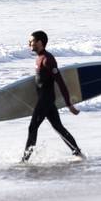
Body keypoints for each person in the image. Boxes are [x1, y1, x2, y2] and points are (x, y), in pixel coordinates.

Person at [22, 30, 83, 162]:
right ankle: (77, 152)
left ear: (39, 42)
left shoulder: (47, 59)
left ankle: (25, 160)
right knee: (58, 127)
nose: (29, 43)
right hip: (46, 100)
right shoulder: (39, 58)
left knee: (32, 127)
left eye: (31, 41)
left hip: (46, 100)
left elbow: (60, 82)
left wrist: (69, 104)